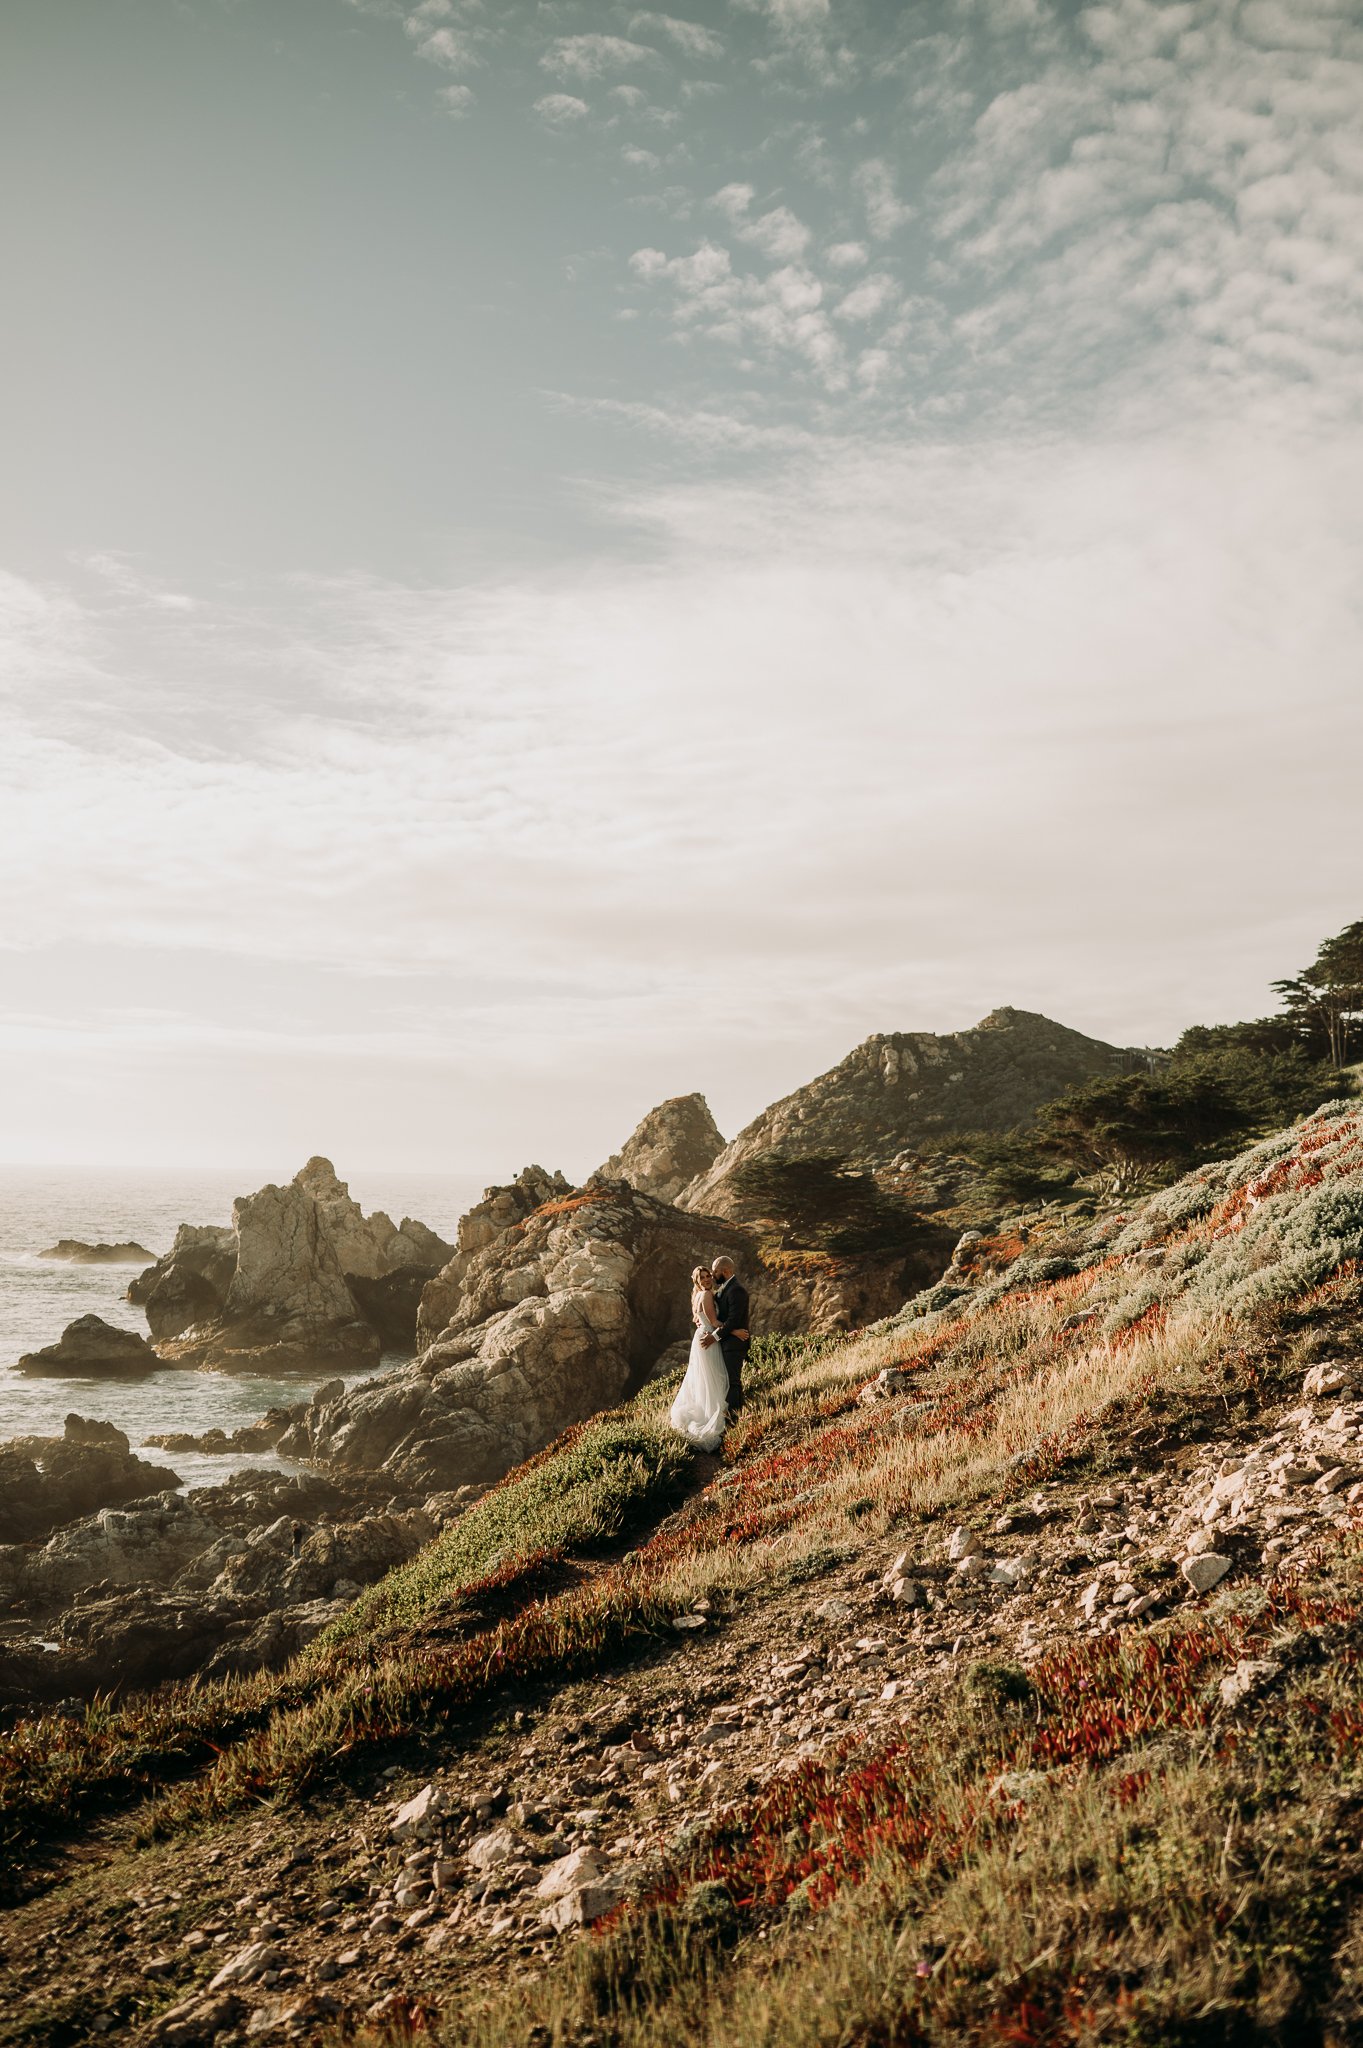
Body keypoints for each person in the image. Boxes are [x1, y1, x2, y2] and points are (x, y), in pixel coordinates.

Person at [669, 1264, 730, 1452]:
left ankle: (708, 1412)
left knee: (704, 1379)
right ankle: (711, 1418)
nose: (706, 1280)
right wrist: (734, 1328)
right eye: (702, 1278)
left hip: (702, 1337)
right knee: (713, 1379)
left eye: (708, 1276)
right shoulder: (706, 1295)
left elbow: (700, 1319)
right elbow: (714, 1322)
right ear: (697, 1281)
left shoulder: (697, 1295)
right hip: (709, 1339)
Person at [702, 1254, 750, 1417]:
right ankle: (737, 1415)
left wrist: (713, 1337)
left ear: (725, 1271)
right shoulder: (724, 1288)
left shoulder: (737, 1290)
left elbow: (733, 1321)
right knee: (729, 1382)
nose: (713, 1276)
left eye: (715, 1272)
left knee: (733, 1382)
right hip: (727, 1342)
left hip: (735, 1344)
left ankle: (733, 1417)